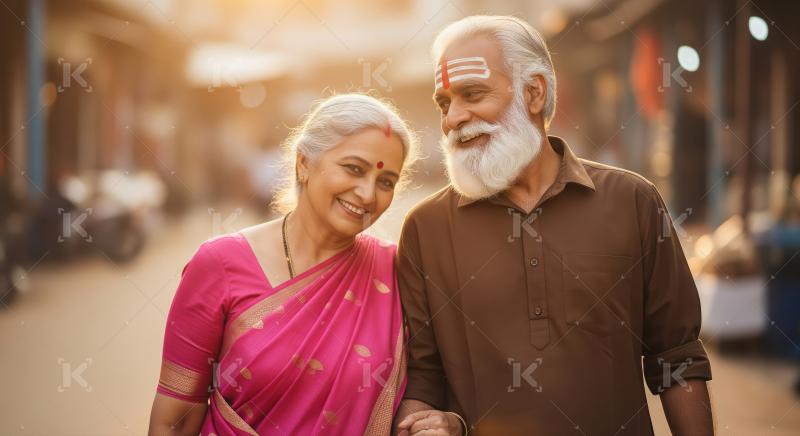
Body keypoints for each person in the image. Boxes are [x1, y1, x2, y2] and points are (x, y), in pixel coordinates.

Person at [394, 16, 714, 435]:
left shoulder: (632, 201)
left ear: (534, 92)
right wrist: (432, 425)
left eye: (472, 94)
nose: (453, 117)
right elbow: (422, 377)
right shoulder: (426, 228)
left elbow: (677, 356)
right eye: (444, 103)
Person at [148, 93, 417, 435]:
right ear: (304, 163)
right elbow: (175, 419)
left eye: (386, 182)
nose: (367, 194)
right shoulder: (220, 264)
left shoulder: (396, 272)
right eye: (354, 169)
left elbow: (426, 388)